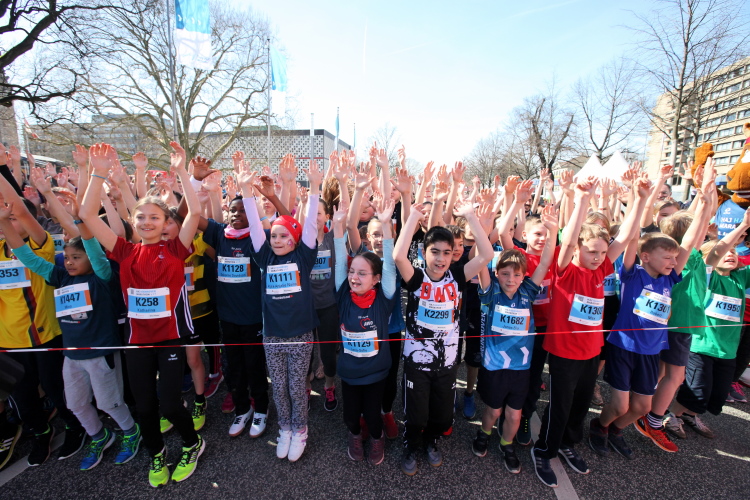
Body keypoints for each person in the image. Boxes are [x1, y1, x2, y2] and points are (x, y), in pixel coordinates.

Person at [79, 142, 205, 488]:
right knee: (145, 408)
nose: (147, 222)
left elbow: (194, 212)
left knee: (170, 406)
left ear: (165, 223)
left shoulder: (176, 249)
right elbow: (87, 215)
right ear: (132, 222)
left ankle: (192, 443)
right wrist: (97, 173)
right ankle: (156, 454)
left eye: (155, 217)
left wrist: (182, 172)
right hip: (136, 342)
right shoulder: (124, 250)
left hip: (170, 340)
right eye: (141, 217)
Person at [531, 174, 648, 488]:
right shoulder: (566, 270)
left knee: (581, 404)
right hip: (563, 353)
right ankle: (544, 450)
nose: (597, 258)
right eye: (591, 252)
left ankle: (567, 443)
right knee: (560, 406)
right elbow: (568, 241)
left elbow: (625, 236)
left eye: (601, 252)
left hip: (590, 352)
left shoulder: (604, 268)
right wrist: (582, 199)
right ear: (577, 251)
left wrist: (639, 200)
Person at [0, 213, 141, 470]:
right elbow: (27, 257)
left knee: (109, 402)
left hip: (99, 353)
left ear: (92, 259)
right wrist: (3, 223)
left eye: (76, 257)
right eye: (66, 257)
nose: (69, 262)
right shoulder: (60, 277)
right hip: (72, 356)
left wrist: (81, 221)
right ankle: (99, 436)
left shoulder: (102, 278)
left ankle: (131, 432)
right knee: (75, 404)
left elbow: (95, 252)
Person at [589, 190, 705, 458]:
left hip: (651, 353)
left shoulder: (669, 278)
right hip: (624, 347)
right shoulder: (633, 275)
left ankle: (616, 429)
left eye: (675, 258)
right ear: (646, 256)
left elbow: (689, 243)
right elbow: (633, 237)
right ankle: (600, 425)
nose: (674, 262)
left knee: (642, 407)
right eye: (668, 258)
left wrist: (705, 206)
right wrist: (640, 199)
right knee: (620, 405)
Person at [393, 199, 494, 476]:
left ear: (453, 255)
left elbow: (486, 254)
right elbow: (399, 256)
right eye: (434, 252)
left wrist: (471, 217)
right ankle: (411, 444)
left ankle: (431, 440)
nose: (440, 259)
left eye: (446, 253)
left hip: (447, 363)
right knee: (416, 411)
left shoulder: (458, 277)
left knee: (441, 411)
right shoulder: (416, 278)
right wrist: (413, 216)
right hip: (417, 362)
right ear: (424, 253)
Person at [0, 170, 87, 467]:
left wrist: (2, 170)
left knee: (56, 389)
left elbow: (21, 210)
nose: (8, 220)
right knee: (24, 398)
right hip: (9, 340)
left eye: (13, 218)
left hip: (46, 333)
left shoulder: (41, 244)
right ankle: (41, 433)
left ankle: (74, 426)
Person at [238, 158, 321, 463]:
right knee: (279, 388)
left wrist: (314, 188)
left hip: (300, 335)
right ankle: (284, 428)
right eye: (273, 235)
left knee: (297, 387)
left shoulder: (303, 257)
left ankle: (300, 429)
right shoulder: (265, 258)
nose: (277, 240)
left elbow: (310, 225)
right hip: (272, 336)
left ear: (295, 240)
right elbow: (254, 227)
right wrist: (246, 192)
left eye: (284, 235)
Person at [472, 204, 558, 474]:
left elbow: (545, 262)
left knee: (514, 414)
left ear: (523, 276)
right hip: (495, 366)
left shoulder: (528, 292)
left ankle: (506, 444)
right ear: (497, 273)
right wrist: (480, 225)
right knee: (494, 411)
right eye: (505, 273)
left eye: (517, 274)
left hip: (521, 368)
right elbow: (482, 256)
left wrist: (553, 229)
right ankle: (484, 433)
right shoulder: (490, 293)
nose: (511, 279)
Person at [639, 161, 716, 450]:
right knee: (675, 375)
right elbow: (697, 227)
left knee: (663, 374)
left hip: (676, 322)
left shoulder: (678, 255)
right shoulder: (683, 256)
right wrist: (704, 197)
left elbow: (698, 224)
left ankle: (646, 412)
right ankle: (653, 419)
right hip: (677, 322)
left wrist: (705, 192)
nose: (706, 232)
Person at [669, 208, 750, 438]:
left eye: (734, 252)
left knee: (716, 395)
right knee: (696, 390)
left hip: (728, 350)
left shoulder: (740, 279)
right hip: (702, 346)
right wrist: (743, 225)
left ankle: (689, 415)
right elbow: (716, 252)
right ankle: (671, 415)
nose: (730, 254)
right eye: (726, 252)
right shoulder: (708, 277)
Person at [332, 196, 397, 464]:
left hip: (376, 373)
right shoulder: (343, 295)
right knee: (350, 417)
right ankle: (355, 436)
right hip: (349, 373)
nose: (354, 277)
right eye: (352, 272)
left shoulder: (384, 299)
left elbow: (390, 264)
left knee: (373, 415)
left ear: (377, 279)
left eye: (362, 273)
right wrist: (338, 227)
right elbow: (340, 261)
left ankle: (377, 439)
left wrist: (386, 225)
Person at [495, 180, 560, 445]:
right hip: (517, 327)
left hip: (543, 328)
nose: (542, 238)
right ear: (526, 235)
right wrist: (518, 202)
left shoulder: (553, 257)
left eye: (547, 234)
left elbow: (560, 244)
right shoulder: (519, 256)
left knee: (534, 377)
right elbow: (502, 232)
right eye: (537, 234)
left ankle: (524, 417)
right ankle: (503, 413)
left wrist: (555, 225)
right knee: (512, 373)